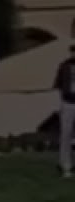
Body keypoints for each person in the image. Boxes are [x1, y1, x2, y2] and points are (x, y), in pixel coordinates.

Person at [55, 43, 75, 179]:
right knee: (66, 134)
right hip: (68, 102)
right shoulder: (65, 66)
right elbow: (58, 85)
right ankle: (65, 165)